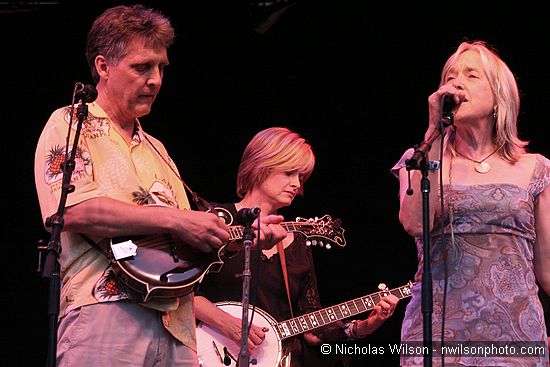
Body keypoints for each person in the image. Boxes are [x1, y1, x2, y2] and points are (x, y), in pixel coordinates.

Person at [34, 5, 286, 366]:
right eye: (142, 67)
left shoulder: (159, 151)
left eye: (161, 68)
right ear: (103, 66)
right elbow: (72, 209)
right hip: (105, 313)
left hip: (178, 326)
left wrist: (237, 242)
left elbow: (181, 248)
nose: (155, 79)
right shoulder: (71, 124)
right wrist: (174, 219)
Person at [391, 40, 550, 366]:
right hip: (436, 338)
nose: (455, 82)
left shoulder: (535, 168)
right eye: (450, 76)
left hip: (516, 340)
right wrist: (433, 132)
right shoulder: (418, 160)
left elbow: (547, 266)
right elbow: (414, 224)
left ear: (499, 97)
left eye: (471, 75)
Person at [194, 127, 400, 367]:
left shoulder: (297, 242)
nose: (296, 184)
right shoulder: (217, 221)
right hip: (207, 356)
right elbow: (177, 293)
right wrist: (227, 324)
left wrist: (363, 326)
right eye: (290, 173)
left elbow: (311, 328)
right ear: (262, 166)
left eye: (301, 177)